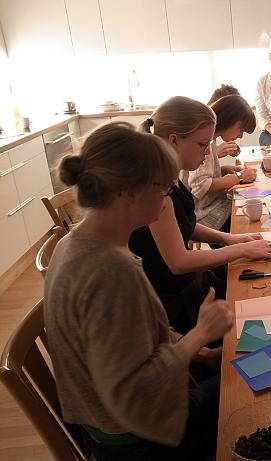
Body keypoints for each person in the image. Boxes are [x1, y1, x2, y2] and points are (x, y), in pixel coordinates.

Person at [44, 121, 234, 460]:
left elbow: (132, 335)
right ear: (129, 193)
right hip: (139, 437)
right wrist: (200, 335)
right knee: (253, 390)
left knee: (239, 363)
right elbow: (135, 392)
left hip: (111, 419)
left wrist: (203, 353)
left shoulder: (79, 243)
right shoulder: (109, 271)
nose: (168, 199)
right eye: (164, 188)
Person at [131, 96, 271, 335]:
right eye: (202, 144)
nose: (208, 153)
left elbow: (184, 225)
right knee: (254, 303)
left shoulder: (170, 174)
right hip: (173, 302)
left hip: (187, 283)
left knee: (258, 283)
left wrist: (230, 239)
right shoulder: (155, 188)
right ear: (174, 140)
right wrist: (241, 250)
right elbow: (179, 262)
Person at [188, 94, 257, 232]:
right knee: (250, 221)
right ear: (230, 120)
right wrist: (240, 177)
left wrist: (224, 169)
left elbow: (202, 176)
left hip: (213, 205)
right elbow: (201, 186)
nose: (241, 135)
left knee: (249, 205)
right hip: (204, 214)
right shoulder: (205, 141)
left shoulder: (211, 139)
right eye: (241, 129)